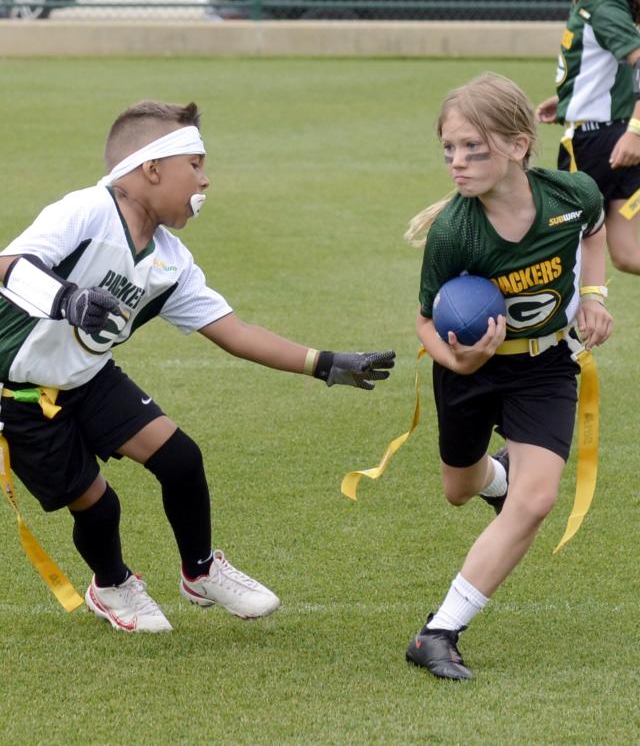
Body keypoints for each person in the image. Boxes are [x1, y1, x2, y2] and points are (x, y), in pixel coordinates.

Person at [0, 99, 395, 634]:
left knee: (181, 459)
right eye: (196, 165)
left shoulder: (171, 260)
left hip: (89, 378)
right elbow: (7, 265)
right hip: (19, 397)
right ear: (152, 168)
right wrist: (66, 298)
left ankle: (201, 571)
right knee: (95, 502)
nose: (205, 181)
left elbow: (234, 333)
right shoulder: (87, 210)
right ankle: (112, 585)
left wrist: (324, 363)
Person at [403, 73, 612, 680]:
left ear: (519, 145)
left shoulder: (572, 193)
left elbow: (593, 232)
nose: (458, 162)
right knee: (459, 489)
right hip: (471, 372)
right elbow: (423, 322)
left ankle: (438, 633)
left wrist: (594, 296)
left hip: (546, 366)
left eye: (474, 146)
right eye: (449, 149)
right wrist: (458, 360)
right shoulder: (454, 232)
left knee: (538, 498)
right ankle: (497, 480)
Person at [536, 0, 640, 274]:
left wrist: (635, 131)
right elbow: (610, 70)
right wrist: (567, 101)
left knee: (568, 245)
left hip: (599, 145)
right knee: (627, 254)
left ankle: (570, 325)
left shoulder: (602, 6)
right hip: (610, 138)